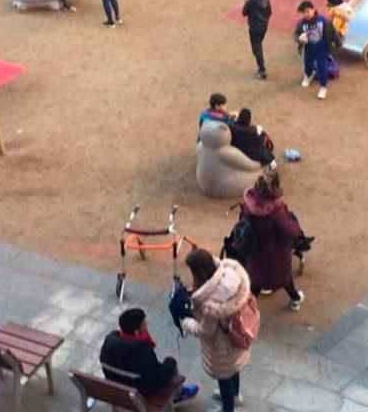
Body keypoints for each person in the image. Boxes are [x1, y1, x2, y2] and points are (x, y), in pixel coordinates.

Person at [179, 249, 252, 412]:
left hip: (222, 348)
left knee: (224, 378)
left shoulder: (210, 304)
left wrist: (186, 322)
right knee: (235, 369)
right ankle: (235, 395)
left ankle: (228, 408)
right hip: (238, 338)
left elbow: (205, 331)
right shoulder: (231, 275)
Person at [99, 307, 199, 405]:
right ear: (136, 332)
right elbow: (155, 379)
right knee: (170, 363)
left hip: (116, 388)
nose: (146, 325)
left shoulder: (109, 341)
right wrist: (169, 363)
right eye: (144, 324)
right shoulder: (141, 349)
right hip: (139, 394)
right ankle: (179, 394)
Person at [243, 175, 306, 310]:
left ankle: (246, 307)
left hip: (255, 252)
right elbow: (291, 231)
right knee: (284, 278)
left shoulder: (248, 205)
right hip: (275, 253)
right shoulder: (275, 212)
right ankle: (295, 299)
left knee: (257, 279)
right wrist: (296, 227)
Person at [293, 0, 336, 100]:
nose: (306, 14)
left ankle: (323, 87)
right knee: (307, 64)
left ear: (313, 10)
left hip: (322, 47)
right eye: (303, 12)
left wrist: (337, 43)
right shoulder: (301, 23)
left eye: (308, 11)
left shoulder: (323, 21)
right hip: (309, 47)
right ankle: (309, 74)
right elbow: (295, 34)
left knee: (322, 67)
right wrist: (299, 38)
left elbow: (332, 32)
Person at [241, 0, 272, 79]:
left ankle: (261, 69)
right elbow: (269, 12)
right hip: (264, 27)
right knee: (258, 45)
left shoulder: (251, 1)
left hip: (254, 27)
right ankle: (259, 60)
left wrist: (246, 4)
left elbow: (244, 13)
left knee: (257, 47)